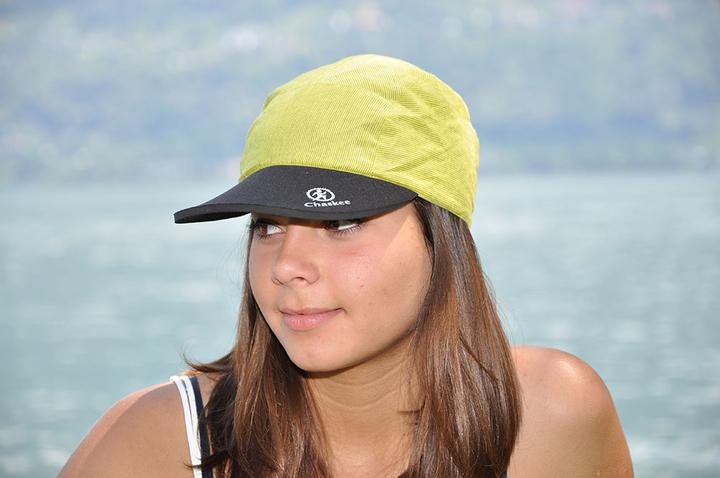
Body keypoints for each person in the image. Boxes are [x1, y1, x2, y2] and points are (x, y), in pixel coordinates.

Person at [59, 54, 633, 477]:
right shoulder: (160, 443)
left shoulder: (552, 416)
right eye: (268, 226)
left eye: (341, 223)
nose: (287, 265)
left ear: (440, 239)